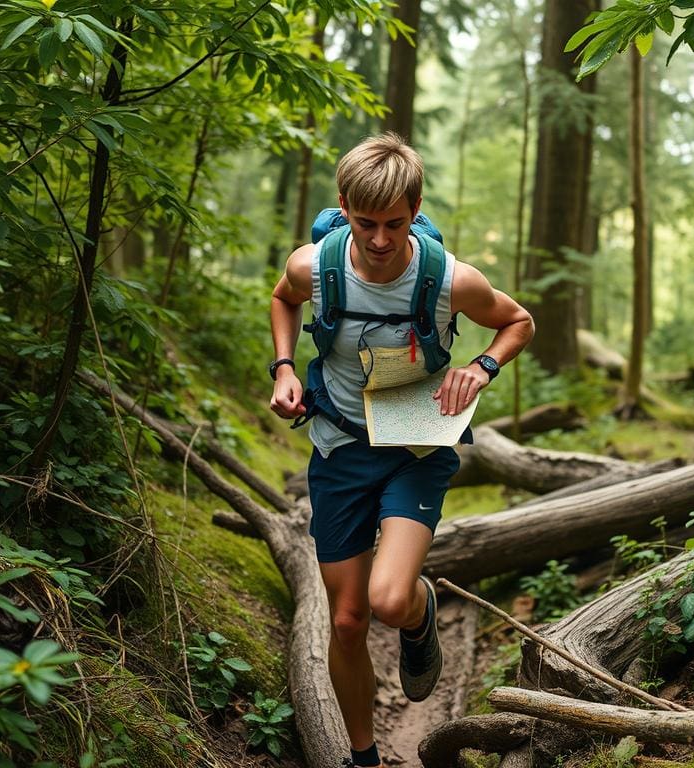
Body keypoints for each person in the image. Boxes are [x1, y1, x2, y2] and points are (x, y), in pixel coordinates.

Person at [268, 133, 533, 768]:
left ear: (416, 209)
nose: (381, 240)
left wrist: (482, 367)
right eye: (365, 224)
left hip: (416, 444)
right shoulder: (316, 265)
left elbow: (518, 321)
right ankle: (362, 757)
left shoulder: (451, 279)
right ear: (344, 206)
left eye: (395, 223)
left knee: (388, 600)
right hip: (339, 446)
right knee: (348, 621)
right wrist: (284, 368)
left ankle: (420, 616)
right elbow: (282, 297)